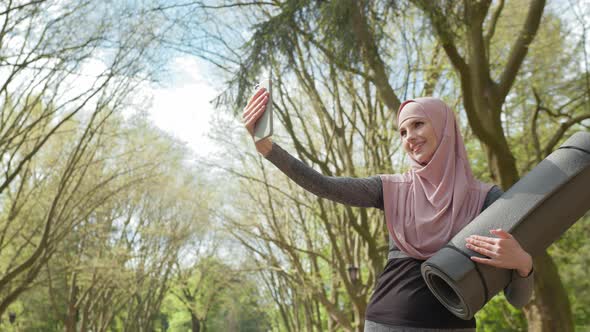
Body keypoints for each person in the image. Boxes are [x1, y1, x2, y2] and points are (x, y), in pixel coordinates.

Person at [242, 89, 534, 332]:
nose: (409, 137)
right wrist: (269, 149)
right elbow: (325, 186)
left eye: (419, 124)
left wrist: (523, 264)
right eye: (403, 131)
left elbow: (518, 300)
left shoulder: (488, 199)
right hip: (386, 321)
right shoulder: (392, 188)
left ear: (444, 127)